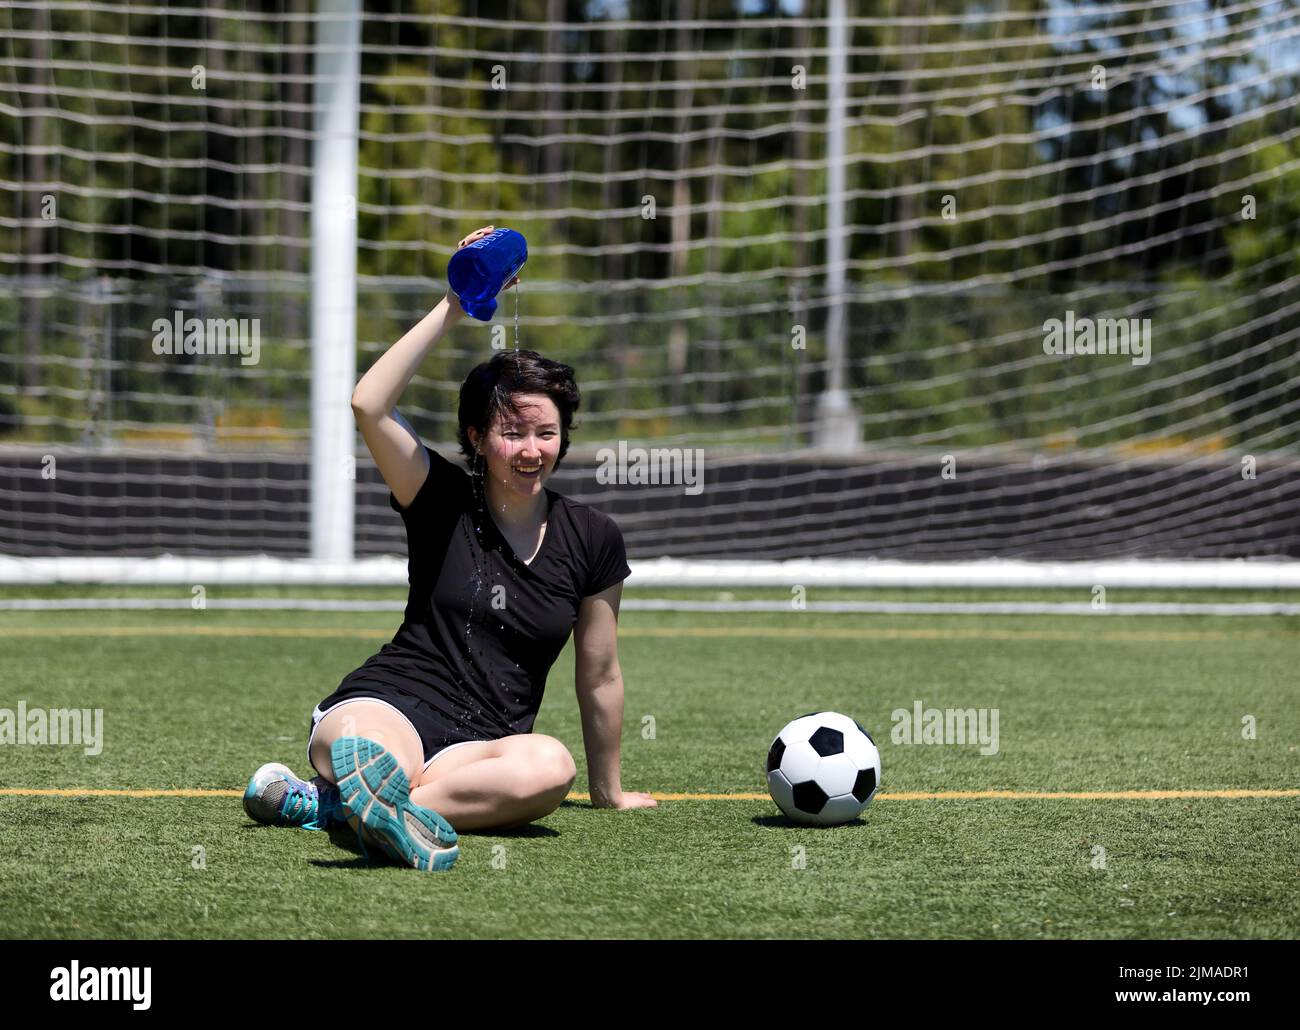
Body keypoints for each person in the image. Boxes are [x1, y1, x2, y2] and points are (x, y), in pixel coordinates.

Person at [243, 225, 656, 871]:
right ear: (476, 436)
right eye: (512, 432)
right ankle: (367, 794)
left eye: (546, 433)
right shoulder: (439, 497)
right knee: (366, 750)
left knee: (549, 768)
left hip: (484, 748)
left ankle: (336, 808)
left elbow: (599, 673)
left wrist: (609, 792)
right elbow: (368, 405)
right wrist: (456, 304)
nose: (530, 449)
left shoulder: (593, 536)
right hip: (389, 708)